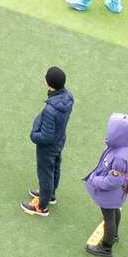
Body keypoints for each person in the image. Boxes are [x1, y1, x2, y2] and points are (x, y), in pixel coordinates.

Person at [83, 113, 128, 257]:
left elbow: (112, 181)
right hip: (117, 195)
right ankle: (114, 235)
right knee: (115, 211)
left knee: (108, 217)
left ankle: (106, 247)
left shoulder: (120, 157)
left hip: (110, 194)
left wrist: (95, 180)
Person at [20, 66, 73, 216]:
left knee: (45, 174)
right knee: (55, 167)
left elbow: (46, 136)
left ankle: (41, 207)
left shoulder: (51, 110)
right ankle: (50, 195)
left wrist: (33, 136)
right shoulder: (68, 97)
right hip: (60, 140)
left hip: (47, 147)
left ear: (49, 83)